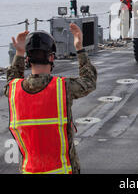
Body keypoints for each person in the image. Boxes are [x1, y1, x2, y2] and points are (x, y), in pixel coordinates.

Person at [4, 23, 97, 174]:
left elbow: (11, 79)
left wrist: (19, 54)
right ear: (51, 57)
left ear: (28, 59)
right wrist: (79, 48)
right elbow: (89, 81)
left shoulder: (14, 90)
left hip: (29, 170)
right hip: (63, 170)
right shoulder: (62, 87)